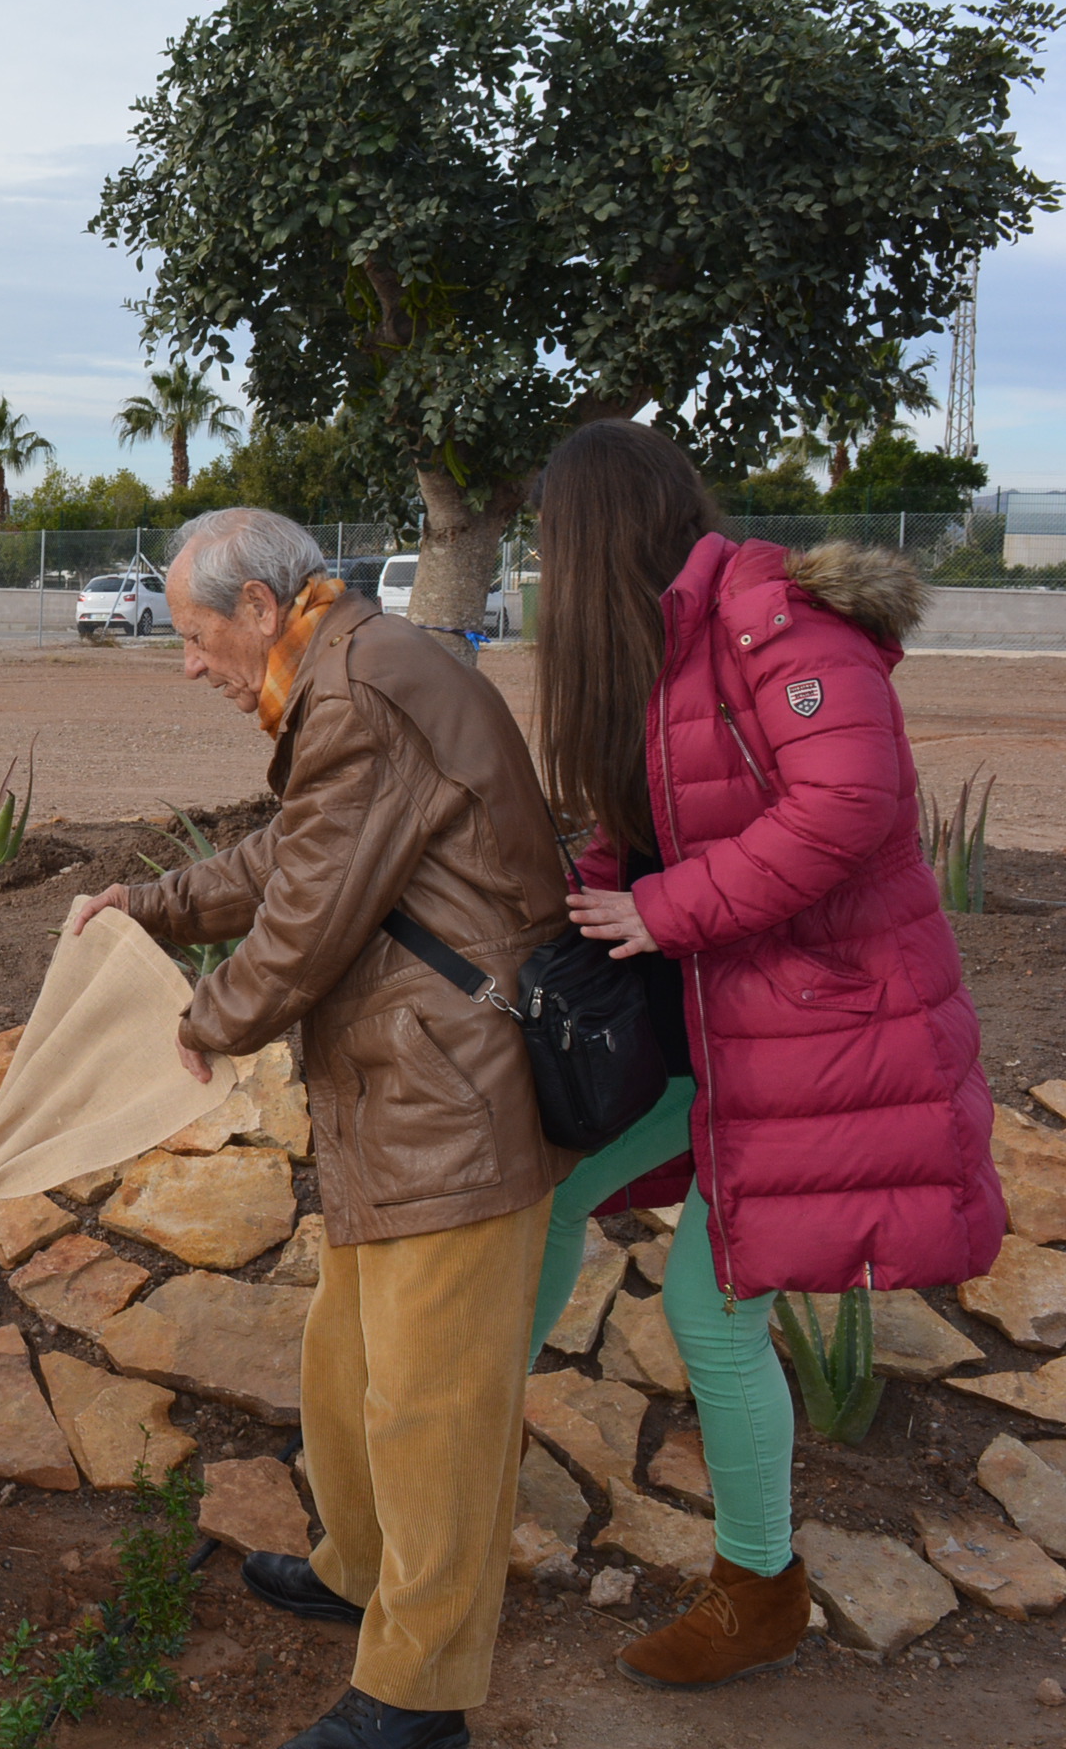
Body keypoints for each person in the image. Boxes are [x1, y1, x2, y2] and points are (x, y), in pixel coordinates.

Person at [72, 508, 568, 1749]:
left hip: (449, 1097)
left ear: (256, 608)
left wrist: (206, 1019)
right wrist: (146, 903)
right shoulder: (347, 672)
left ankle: (417, 1689)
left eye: (192, 635)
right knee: (347, 1368)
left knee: (433, 1405)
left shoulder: (355, 691)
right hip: (402, 1089)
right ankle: (359, 1567)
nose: (187, 662)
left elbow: (301, 920)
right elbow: (284, 860)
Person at [528, 419, 1001, 1687]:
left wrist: (662, 911)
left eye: (547, 542)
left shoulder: (770, 622)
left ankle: (758, 1584)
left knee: (707, 1306)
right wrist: (595, 893)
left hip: (821, 1032)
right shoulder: (664, 644)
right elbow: (652, 825)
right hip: (719, 1027)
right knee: (555, 1188)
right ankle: (453, 1453)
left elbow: (848, 805)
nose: (538, 568)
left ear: (593, 538)